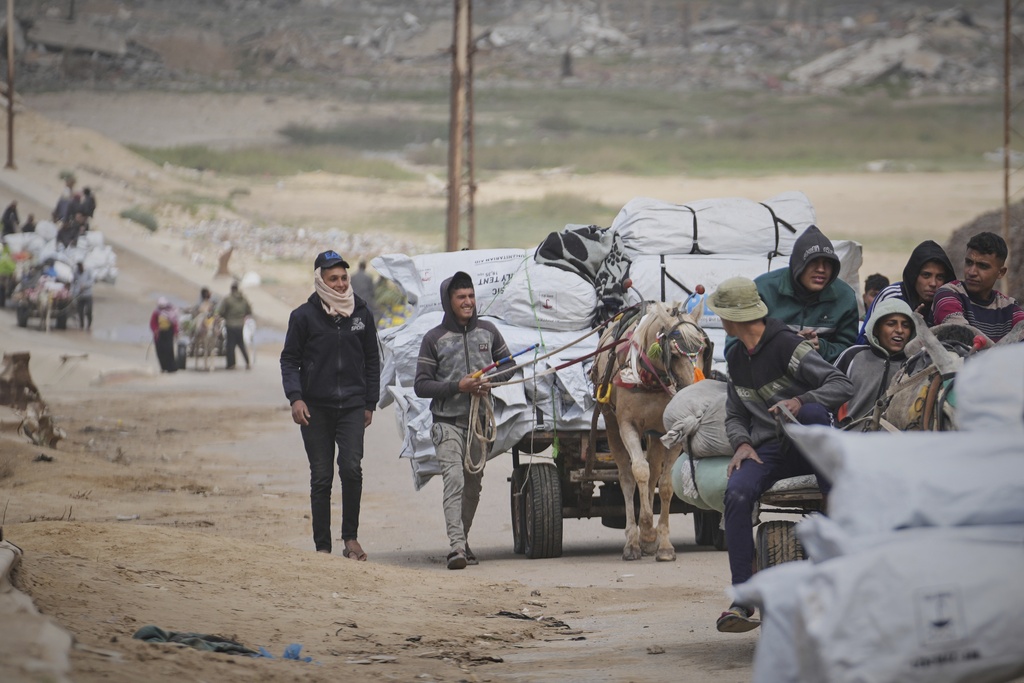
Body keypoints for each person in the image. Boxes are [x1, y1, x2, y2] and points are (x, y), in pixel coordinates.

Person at [708, 277, 853, 633]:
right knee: (737, 493)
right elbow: (734, 413)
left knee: (812, 414)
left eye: (722, 315)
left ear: (733, 318)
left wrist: (800, 400)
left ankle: (834, 517)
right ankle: (743, 598)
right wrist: (741, 442)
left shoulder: (788, 345)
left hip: (808, 443)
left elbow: (840, 384)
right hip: (769, 448)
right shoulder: (735, 357)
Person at [280, 250, 380, 559]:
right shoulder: (303, 316)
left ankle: (350, 539)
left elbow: (372, 360)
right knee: (321, 477)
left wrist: (369, 402)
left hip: (351, 404)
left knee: (351, 469)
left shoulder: (361, 313)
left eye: (343, 278)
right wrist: (296, 398)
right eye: (332, 278)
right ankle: (322, 547)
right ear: (319, 280)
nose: (339, 284)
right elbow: (289, 360)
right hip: (315, 409)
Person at [414, 271, 515, 570]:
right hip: (446, 422)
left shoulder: (489, 331)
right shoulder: (434, 339)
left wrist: (490, 381)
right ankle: (456, 547)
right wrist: (457, 386)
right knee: (454, 480)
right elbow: (421, 384)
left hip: (480, 423)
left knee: (473, 487)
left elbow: (509, 364)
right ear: (449, 301)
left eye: (471, 296)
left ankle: (463, 539)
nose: (468, 302)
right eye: (461, 297)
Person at [751, 225, 859, 363]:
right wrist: (786, 344)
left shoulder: (845, 297)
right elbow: (739, 341)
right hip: (768, 371)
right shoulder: (763, 290)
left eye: (828, 263)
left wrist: (821, 347)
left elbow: (848, 350)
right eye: (813, 262)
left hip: (821, 375)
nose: (821, 269)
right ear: (798, 264)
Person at [932, 231, 1024, 344]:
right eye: (969, 262)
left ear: (1001, 272)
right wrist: (1001, 352)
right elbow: (961, 334)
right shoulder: (948, 294)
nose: (972, 272)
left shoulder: (1009, 307)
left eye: (983, 266)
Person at [836, 299, 916, 426]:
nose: (900, 330)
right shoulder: (852, 355)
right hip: (849, 439)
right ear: (876, 329)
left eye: (906, 325)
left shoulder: (916, 365)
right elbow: (829, 395)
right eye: (891, 324)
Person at [857, 240, 955, 344]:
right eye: (926, 275)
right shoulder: (892, 296)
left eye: (940, 277)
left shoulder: (948, 302)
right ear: (914, 275)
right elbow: (866, 341)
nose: (933, 283)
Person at [217, 281, 253, 369]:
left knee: (230, 345)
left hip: (230, 325)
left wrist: (224, 316)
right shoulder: (243, 299)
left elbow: (221, 311)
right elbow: (249, 311)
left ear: (231, 289)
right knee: (241, 344)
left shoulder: (227, 299)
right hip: (240, 325)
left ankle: (231, 364)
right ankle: (247, 362)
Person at [150, 298, 179, 373]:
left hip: (168, 333)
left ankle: (171, 368)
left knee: (169, 349)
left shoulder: (171, 312)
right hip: (159, 334)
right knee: (160, 351)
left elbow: (174, 323)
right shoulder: (156, 313)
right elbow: (153, 323)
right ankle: (163, 367)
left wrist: (176, 332)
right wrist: (155, 329)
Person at [72, 262, 95, 330]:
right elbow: (74, 282)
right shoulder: (76, 273)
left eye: (81, 266)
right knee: (80, 311)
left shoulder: (88, 271)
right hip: (80, 295)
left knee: (89, 310)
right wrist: (74, 292)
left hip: (88, 295)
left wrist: (84, 285)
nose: (80, 268)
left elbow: (91, 281)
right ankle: (81, 325)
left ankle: (89, 325)